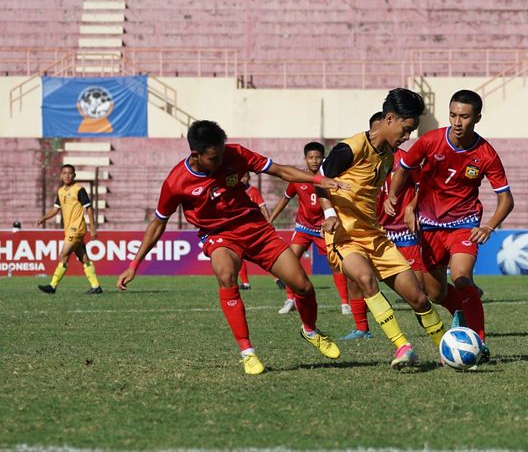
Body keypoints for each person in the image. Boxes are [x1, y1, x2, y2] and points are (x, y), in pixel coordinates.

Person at [116, 120, 345, 375]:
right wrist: (134, 264)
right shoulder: (176, 182)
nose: (222, 159)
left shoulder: (234, 153)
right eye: (214, 158)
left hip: (255, 228)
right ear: (196, 155)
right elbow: (158, 222)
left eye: (223, 152)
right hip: (219, 235)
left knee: (303, 286)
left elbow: (280, 171)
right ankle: (248, 353)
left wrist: (318, 179)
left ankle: (310, 330)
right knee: (226, 275)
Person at [317, 88, 446, 369]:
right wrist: (329, 212)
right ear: (390, 118)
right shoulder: (351, 147)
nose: (408, 136)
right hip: (343, 234)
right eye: (406, 129)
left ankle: (446, 348)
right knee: (365, 279)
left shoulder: (390, 155)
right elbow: (319, 181)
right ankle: (402, 347)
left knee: (419, 298)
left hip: (374, 235)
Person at [385, 89, 515, 360]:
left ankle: (478, 341)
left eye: (464, 116)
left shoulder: (486, 153)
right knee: (435, 292)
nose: (458, 122)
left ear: (477, 117)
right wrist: (395, 196)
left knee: (462, 277)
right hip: (429, 227)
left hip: (463, 225)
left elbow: (506, 200)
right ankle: (459, 310)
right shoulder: (430, 141)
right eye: (453, 115)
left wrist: (488, 226)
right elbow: (404, 169)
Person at [268, 142, 356, 319]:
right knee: (289, 261)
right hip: (303, 228)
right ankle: (290, 300)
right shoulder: (298, 178)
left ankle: (345, 303)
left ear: (323, 158)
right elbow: (285, 199)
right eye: (311, 157)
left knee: (336, 265)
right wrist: (270, 219)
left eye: (317, 157)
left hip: (324, 229)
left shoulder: (331, 178)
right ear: (305, 159)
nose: (314, 161)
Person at [36, 164, 102, 295]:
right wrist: (44, 217)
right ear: (61, 175)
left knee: (63, 255)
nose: (67, 175)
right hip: (69, 229)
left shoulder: (79, 189)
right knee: (84, 258)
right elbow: (56, 209)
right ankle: (96, 286)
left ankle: (52, 286)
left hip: (76, 229)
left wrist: (93, 227)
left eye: (70, 173)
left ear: (74, 175)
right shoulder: (61, 191)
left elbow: (88, 208)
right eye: (64, 173)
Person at [237, 172, 285, 290]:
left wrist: (269, 222)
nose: (243, 179)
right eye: (241, 176)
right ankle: (245, 283)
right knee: (238, 256)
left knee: (263, 255)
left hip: (254, 229)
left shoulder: (253, 191)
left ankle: (277, 278)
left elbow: (263, 207)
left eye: (245, 176)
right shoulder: (235, 192)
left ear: (249, 177)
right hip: (240, 229)